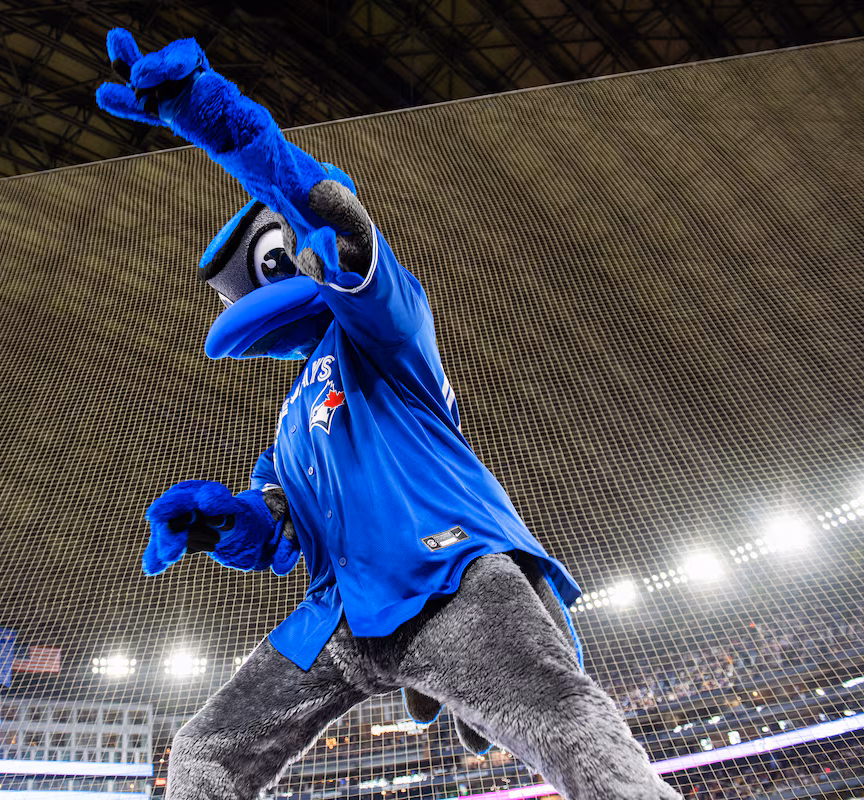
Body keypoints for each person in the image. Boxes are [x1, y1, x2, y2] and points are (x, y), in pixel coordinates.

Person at [96, 29, 682, 800]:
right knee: (205, 751)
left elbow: (337, 219)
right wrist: (220, 521)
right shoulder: (288, 423)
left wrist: (212, 118)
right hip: (341, 616)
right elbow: (277, 532)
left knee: (566, 721)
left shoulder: (381, 329)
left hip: (445, 583)